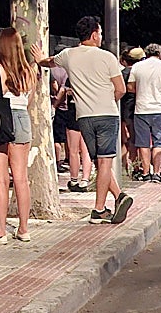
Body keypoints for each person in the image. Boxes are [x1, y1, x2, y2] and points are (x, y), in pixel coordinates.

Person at [31, 16, 134, 224]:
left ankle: (119, 196)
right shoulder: (107, 57)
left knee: (99, 161)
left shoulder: (68, 55)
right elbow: (121, 89)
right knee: (105, 161)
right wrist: (106, 99)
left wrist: (39, 57)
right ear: (95, 35)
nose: (101, 37)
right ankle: (98, 209)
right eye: (101, 34)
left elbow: (47, 62)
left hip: (83, 116)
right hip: (106, 114)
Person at [0, 27, 35, 242]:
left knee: (0, 180)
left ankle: (0, 232)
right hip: (21, 119)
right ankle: (24, 229)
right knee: (21, 178)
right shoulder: (29, 71)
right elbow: (29, 101)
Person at [127, 43, 161, 183]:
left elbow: (130, 87)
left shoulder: (137, 66)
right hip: (160, 110)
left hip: (141, 109)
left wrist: (141, 91)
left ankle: (145, 172)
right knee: (159, 143)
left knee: (143, 143)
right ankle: (156, 172)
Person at [120, 47, 143, 177]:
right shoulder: (138, 73)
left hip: (122, 110)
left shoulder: (122, 73)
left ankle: (124, 165)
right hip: (135, 110)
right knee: (134, 140)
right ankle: (135, 165)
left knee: (123, 140)